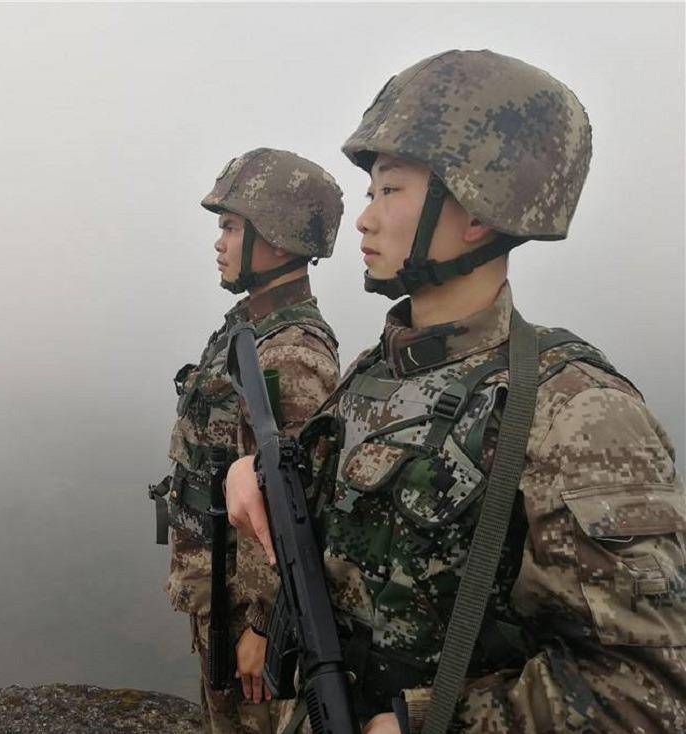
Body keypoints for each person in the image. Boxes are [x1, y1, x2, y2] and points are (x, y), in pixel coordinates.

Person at [224, 50, 686, 734]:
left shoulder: (577, 411)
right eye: (370, 193)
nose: (364, 219)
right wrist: (254, 469)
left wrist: (425, 724)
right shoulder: (379, 370)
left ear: (477, 213)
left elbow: (646, 692)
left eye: (390, 190)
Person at [151, 147, 344, 733]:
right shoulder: (248, 326)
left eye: (232, 227)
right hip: (219, 591)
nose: (219, 243)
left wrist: (263, 625)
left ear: (279, 241)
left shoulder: (292, 352)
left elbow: (291, 504)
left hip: (247, 610)